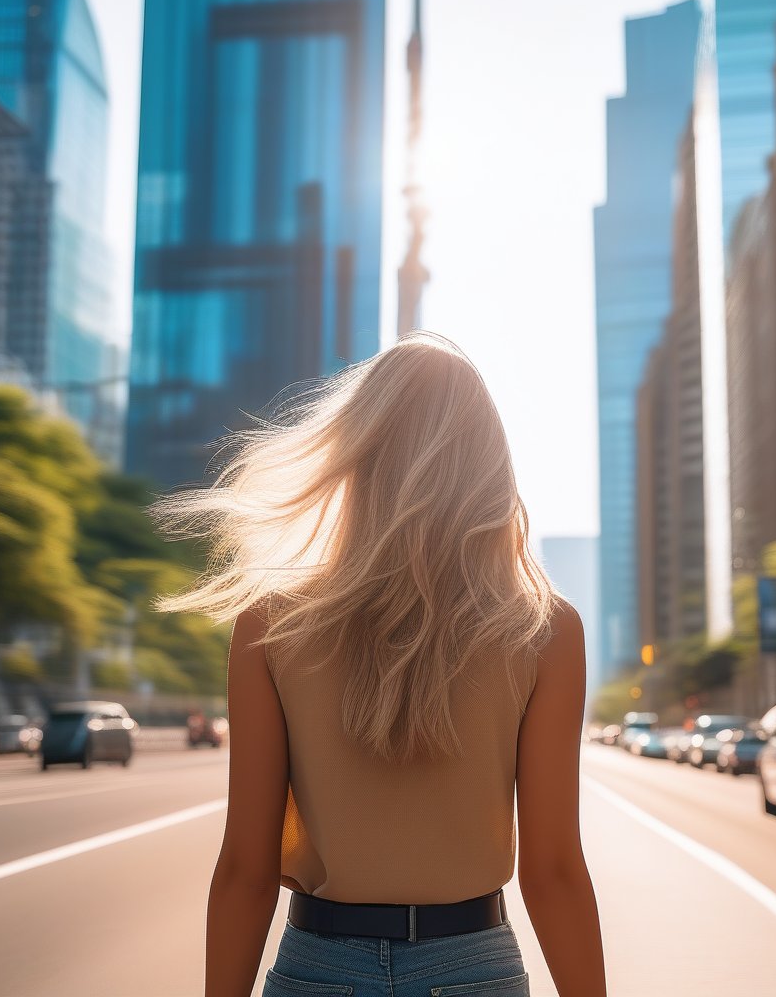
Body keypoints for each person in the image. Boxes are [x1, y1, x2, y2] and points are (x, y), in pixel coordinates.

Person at [151, 331, 606, 997]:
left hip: (317, 970)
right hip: (473, 970)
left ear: (357, 455)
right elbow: (554, 871)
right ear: (489, 466)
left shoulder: (269, 625)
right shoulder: (544, 629)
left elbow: (246, 872)